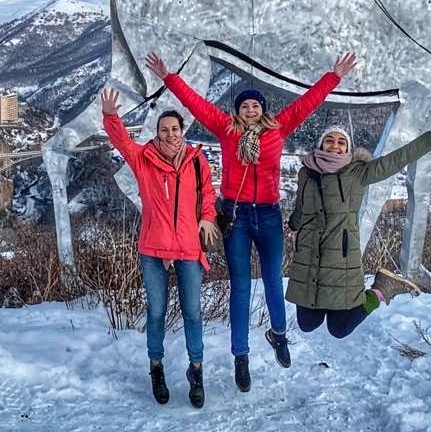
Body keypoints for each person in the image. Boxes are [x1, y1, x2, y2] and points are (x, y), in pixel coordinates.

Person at [145, 51, 356, 391]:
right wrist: (169, 76)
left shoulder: (279, 128)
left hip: (269, 213)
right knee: (240, 286)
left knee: (273, 278)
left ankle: (280, 334)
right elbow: (195, 103)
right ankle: (240, 357)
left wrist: (334, 77)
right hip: (237, 215)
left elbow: (307, 103)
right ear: (237, 111)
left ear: (263, 110)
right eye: (244, 106)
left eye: (255, 106)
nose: (250, 110)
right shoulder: (226, 130)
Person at [286, 116, 431, 339]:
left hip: (340, 260)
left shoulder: (357, 172)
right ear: (321, 144)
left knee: (339, 329)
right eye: (330, 140)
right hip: (309, 258)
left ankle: (381, 290)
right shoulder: (306, 173)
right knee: (307, 324)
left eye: (341, 142)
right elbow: (302, 207)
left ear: (348, 148)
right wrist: (294, 222)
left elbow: (394, 161)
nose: (335, 145)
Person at [100, 87, 222, 409]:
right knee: (156, 312)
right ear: (156, 133)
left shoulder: (197, 162)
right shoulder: (144, 159)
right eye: (164, 129)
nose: (170, 134)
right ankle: (156, 367)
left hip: (188, 249)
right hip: (153, 249)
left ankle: (196, 371)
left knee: (193, 312)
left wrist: (208, 217)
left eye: (175, 129)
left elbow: (208, 195)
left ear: (183, 131)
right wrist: (111, 116)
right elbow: (121, 141)